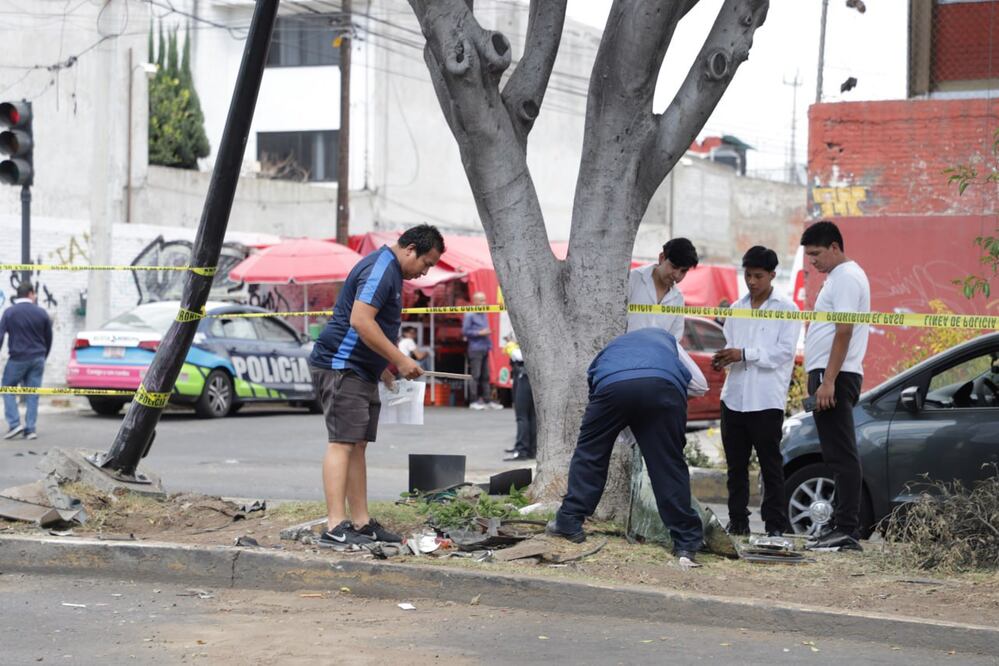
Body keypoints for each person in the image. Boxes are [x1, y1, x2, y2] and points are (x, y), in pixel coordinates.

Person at [309, 224, 444, 548]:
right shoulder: (381, 268)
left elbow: (372, 325)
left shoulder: (392, 272)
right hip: (341, 366)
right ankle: (335, 525)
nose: (424, 272)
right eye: (426, 263)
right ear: (410, 249)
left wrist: (383, 367)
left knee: (358, 444)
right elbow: (360, 320)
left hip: (363, 370)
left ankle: (361, 522)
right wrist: (400, 359)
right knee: (342, 442)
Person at [546, 327, 708, 562]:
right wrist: (664, 405)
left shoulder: (611, 350)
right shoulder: (667, 341)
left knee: (590, 453)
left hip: (613, 386)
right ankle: (686, 542)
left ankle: (569, 521)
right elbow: (700, 385)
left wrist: (627, 427)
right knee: (669, 465)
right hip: (663, 388)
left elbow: (599, 390)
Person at [712, 246, 801, 537]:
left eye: (758, 276)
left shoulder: (787, 309)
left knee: (770, 466)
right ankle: (737, 522)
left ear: (773, 275)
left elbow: (783, 353)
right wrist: (724, 359)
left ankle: (775, 526)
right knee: (735, 468)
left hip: (766, 400)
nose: (752, 281)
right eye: (748, 275)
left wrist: (743, 354)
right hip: (734, 398)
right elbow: (731, 347)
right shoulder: (736, 308)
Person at [800, 221, 870, 552]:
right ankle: (839, 526)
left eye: (816, 254)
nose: (812, 261)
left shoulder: (846, 277)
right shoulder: (838, 277)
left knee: (842, 454)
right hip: (830, 375)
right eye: (808, 255)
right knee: (835, 454)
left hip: (836, 377)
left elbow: (844, 331)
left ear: (834, 247)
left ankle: (846, 529)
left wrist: (828, 380)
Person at [0, 282, 52, 441]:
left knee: (7, 388)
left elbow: (0, 336)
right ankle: (30, 429)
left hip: (18, 358)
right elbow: (48, 337)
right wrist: (44, 356)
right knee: (33, 393)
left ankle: (15, 423)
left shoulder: (9, 312)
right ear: (30, 293)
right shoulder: (41, 313)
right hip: (38, 358)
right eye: (34, 294)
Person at [627, 237, 699, 337]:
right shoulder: (632, 279)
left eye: (683, 271)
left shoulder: (678, 299)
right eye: (674, 267)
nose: (677, 275)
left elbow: (674, 339)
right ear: (662, 258)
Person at [463, 291, 500, 410]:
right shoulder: (469, 314)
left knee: (486, 376)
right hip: (475, 348)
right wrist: (479, 333)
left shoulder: (484, 313)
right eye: (482, 300)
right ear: (475, 301)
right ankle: (473, 401)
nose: (484, 302)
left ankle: (487, 400)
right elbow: (465, 332)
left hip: (485, 347)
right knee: (476, 375)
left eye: (484, 300)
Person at [502, 334, 536, 461]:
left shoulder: (531, 338)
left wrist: (510, 345)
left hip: (525, 376)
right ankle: (531, 449)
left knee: (522, 416)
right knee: (531, 416)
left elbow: (519, 355)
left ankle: (522, 450)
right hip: (530, 377)